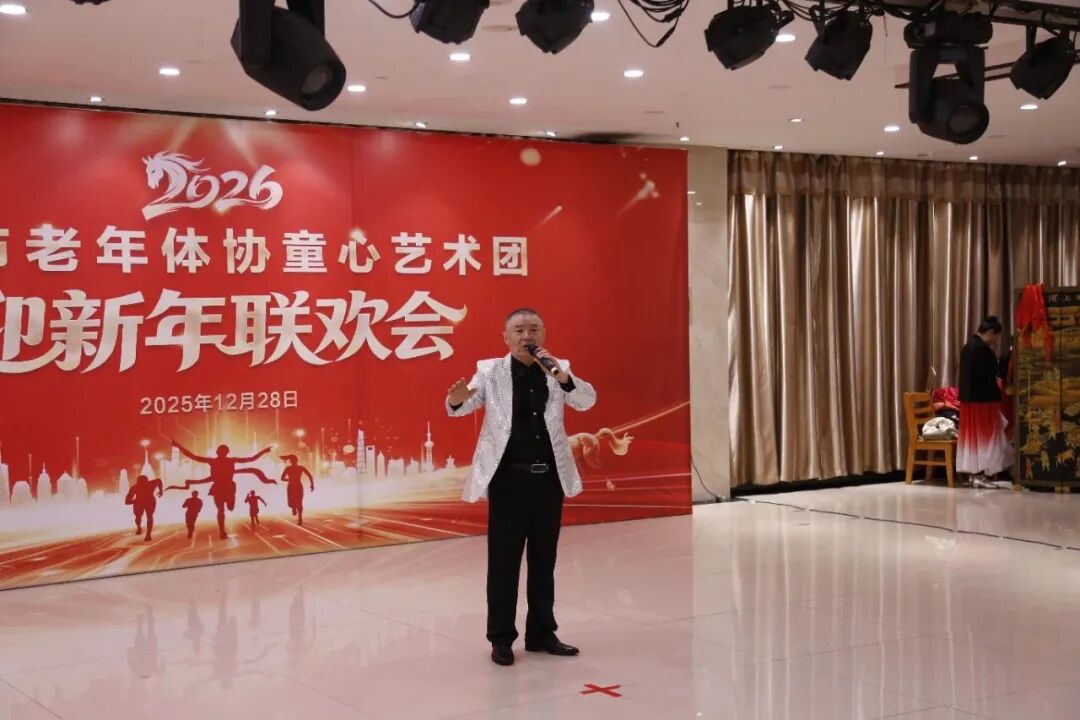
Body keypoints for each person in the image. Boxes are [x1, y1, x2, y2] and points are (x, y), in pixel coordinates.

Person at [446, 308, 597, 667]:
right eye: (519, 330)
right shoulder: (490, 371)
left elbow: (587, 400)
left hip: (548, 479)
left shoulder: (557, 368)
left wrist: (562, 376)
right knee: (504, 562)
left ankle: (542, 633)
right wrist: (455, 398)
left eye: (533, 329)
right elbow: (462, 406)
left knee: (544, 560)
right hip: (508, 480)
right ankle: (501, 638)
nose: (527, 336)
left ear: (543, 334)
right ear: (506, 337)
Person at [167, 442, 275, 540]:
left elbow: (193, 456)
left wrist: (179, 446)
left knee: (226, 509)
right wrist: (264, 451)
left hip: (225, 488)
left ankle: (222, 530)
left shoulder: (223, 461)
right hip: (221, 488)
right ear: (223, 452)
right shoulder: (222, 461)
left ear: (220, 452)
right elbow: (251, 459)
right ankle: (222, 531)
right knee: (222, 510)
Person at [958, 316, 1014, 487]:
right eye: (996, 337)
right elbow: (987, 376)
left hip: (970, 401)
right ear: (990, 332)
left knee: (973, 439)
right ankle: (978, 474)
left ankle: (976, 474)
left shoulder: (969, 347)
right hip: (980, 401)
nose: (996, 341)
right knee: (983, 439)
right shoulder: (980, 349)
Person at [124, 475, 163, 541]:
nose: (142, 484)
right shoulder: (145, 485)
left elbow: (127, 501)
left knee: (146, 516)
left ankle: (146, 533)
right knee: (144, 517)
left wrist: (133, 501)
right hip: (145, 501)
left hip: (145, 501)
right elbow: (159, 480)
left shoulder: (136, 487)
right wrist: (160, 490)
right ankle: (143, 530)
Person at [279, 455, 314, 526]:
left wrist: (312, 484)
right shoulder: (289, 468)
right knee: (291, 503)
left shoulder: (299, 468)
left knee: (299, 503)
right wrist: (289, 479)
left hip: (297, 486)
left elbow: (309, 475)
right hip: (293, 486)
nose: (293, 462)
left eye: (293, 460)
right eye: (292, 460)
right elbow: (282, 478)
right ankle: (294, 507)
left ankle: (300, 518)